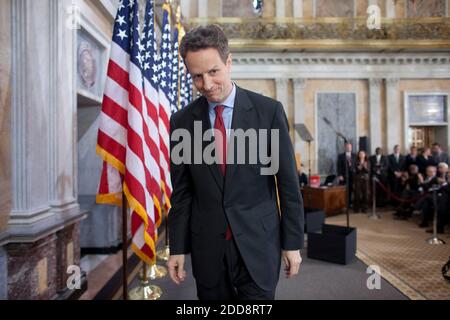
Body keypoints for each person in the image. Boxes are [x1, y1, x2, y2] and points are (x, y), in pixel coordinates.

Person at [167, 25, 304, 300]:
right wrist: (177, 247)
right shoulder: (181, 122)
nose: (206, 85)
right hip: (208, 251)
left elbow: (288, 185)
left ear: (229, 62)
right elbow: (182, 194)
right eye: (197, 76)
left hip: (259, 246)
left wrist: (292, 244)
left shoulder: (268, 112)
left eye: (213, 71)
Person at [337, 142, 356, 207]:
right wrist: (340, 175)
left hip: (352, 176)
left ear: (351, 148)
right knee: (344, 191)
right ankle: (344, 204)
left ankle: (350, 203)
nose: (348, 148)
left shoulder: (354, 155)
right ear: (345, 148)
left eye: (350, 147)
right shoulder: (341, 156)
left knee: (350, 190)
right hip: (343, 176)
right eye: (347, 147)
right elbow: (339, 166)